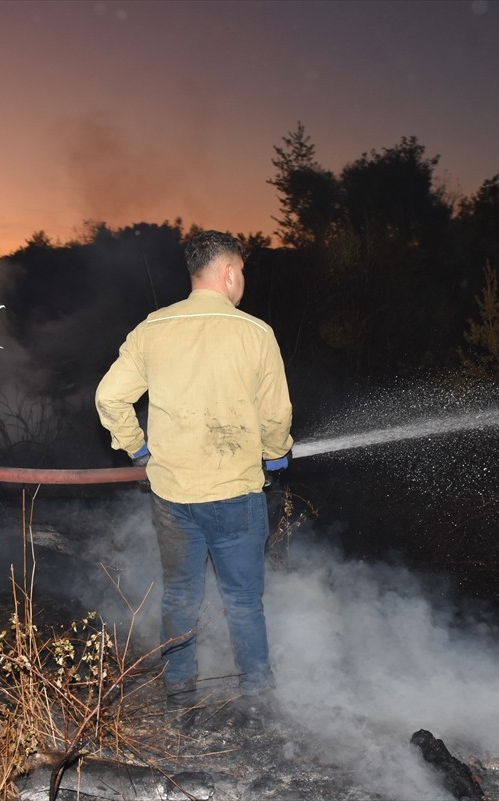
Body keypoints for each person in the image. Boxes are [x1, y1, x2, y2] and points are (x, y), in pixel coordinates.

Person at [95, 230, 293, 716]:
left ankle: (179, 695)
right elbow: (276, 415)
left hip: (173, 496)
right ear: (228, 272)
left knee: (181, 596)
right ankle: (257, 695)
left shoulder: (153, 329)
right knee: (243, 601)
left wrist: (136, 447)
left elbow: (109, 397)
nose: (242, 280)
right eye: (241, 271)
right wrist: (275, 453)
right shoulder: (256, 334)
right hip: (235, 496)